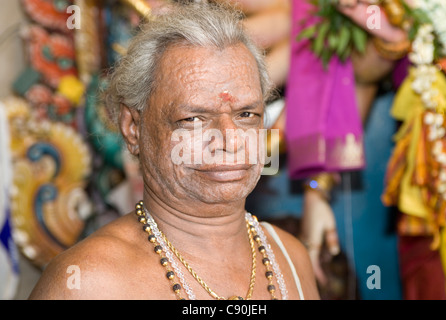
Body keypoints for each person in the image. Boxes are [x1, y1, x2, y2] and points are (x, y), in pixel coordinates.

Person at [28, 2, 319, 300]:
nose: (230, 140)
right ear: (132, 127)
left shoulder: (291, 259)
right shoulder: (86, 282)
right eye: (192, 119)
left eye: (246, 115)